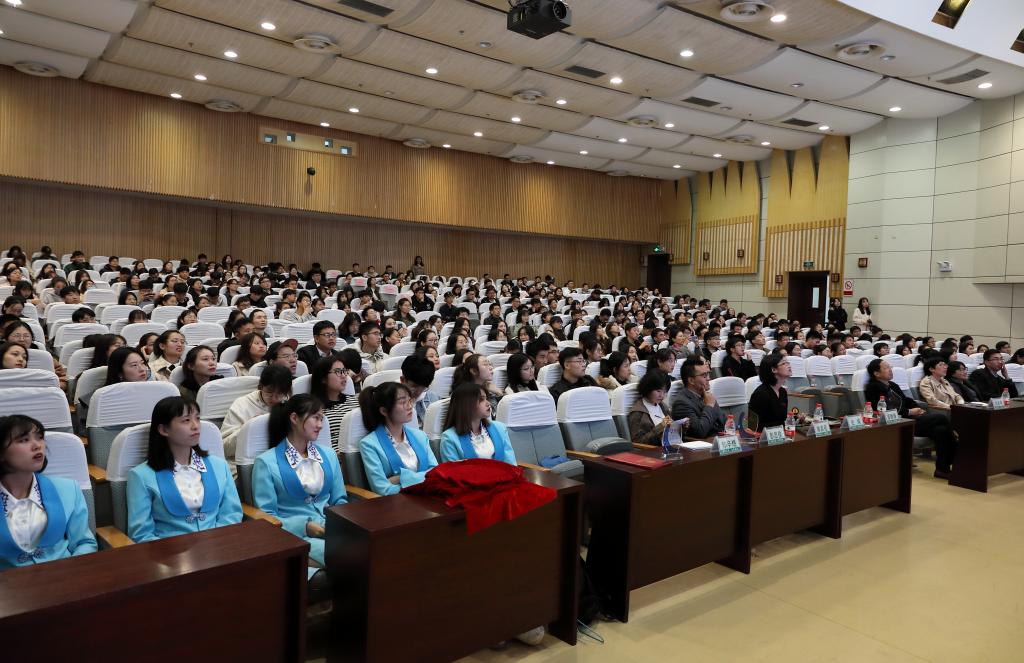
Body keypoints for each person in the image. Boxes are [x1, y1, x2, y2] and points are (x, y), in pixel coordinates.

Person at [126, 396, 241, 542]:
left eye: (197, 418)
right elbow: (142, 534)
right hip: (169, 552)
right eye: (186, 420)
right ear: (164, 429)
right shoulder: (141, 476)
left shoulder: (219, 465)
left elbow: (232, 514)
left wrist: (217, 542)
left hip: (219, 545)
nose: (195, 426)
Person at [252, 395, 347, 569]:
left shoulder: (329, 455)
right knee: (349, 555)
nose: (320, 425)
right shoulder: (266, 462)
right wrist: (304, 526)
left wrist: (339, 525)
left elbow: (340, 500)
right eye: (315, 418)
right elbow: (267, 517)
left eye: (321, 418)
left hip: (332, 530)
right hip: (294, 535)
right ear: (294, 418)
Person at [0, 414, 97, 569]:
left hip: (65, 575)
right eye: (24, 440)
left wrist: (72, 575)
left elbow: (85, 543)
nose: (37, 446)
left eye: (39, 438)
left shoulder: (68, 489)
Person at [864, 359, 955, 478]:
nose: (890, 369)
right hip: (897, 422)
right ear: (876, 373)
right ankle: (957, 454)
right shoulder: (873, 388)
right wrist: (910, 411)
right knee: (940, 417)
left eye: (890, 367)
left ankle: (942, 469)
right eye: (886, 368)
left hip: (910, 420)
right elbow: (884, 409)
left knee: (941, 430)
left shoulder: (893, 385)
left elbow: (906, 400)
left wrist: (917, 408)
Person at [357, 382, 438, 496]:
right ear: (384, 411)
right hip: (397, 503)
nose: (410, 406)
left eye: (409, 400)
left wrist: (401, 478)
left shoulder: (420, 436)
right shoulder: (369, 444)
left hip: (429, 497)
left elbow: (436, 473)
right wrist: (423, 480)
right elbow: (382, 489)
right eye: (402, 402)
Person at [220, 365, 293, 468]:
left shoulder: (289, 403)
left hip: (280, 460)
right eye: (269, 392)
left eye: (280, 393)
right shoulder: (242, 405)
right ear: (261, 386)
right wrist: (247, 429)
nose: (274, 398)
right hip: (246, 464)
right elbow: (223, 448)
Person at [440, 382, 517, 464]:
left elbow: (511, 463)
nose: (488, 403)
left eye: (486, 398)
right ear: (466, 404)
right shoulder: (449, 438)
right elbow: (452, 470)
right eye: (481, 399)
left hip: (503, 472)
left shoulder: (500, 428)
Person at [671, 359, 726, 438]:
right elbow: (699, 432)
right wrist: (709, 406)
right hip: (703, 443)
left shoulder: (706, 395)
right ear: (691, 380)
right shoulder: (681, 403)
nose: (708, 378)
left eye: (708, 374)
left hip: (720, 439)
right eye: (704, 375)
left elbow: (723, 422)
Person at [310, 354, 357, 447]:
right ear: (323, 378)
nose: (344, 376)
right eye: (338, 372)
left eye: (344, 371)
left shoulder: (356, 401)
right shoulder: (314, 410)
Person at [627, 369, 673, 445]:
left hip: (670, 445)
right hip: (653, 450)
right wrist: (660, 427)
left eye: (665, 392)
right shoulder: (638, 412)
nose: (662, 395)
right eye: (658, 391)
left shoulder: (663, 406)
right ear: (648, 388)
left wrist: (681, 427)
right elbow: (637, 442)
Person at [747, 353, 791, 431]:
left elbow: (781, 418)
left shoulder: (782, 391)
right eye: (784, 363)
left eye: (788, 363)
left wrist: (794, 419)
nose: (789, 366)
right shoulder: (760, 394)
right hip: (763, 436)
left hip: (780, 433)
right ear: (773, 370)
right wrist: (786, 423)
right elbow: (754, 425)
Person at [401, 355, 438, 425]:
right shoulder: (393, 403)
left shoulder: (433, 398)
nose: (418, 392)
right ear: (402, 380)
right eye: (414, 386)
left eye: (423, 387)